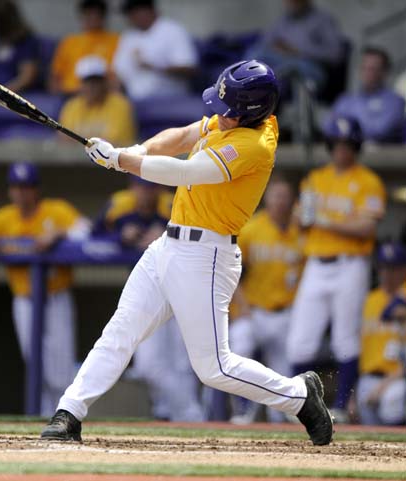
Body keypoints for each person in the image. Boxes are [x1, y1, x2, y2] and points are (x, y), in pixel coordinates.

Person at [41, 60, 333, 446]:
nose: (218, 115)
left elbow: (187, 171)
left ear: (253, 112)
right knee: (120, 331)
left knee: (214, 368)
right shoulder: (230, 121)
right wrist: (134, 151)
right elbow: (182, 136)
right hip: (167, 246)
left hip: (207, 258)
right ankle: (69, 413)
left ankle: (298, 396)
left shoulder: (253, 145)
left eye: (228, 111)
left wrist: (122, 161)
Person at [289, 115, 385, 424]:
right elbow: (299, 222)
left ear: (355, 147)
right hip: (317, 264)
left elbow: (366, 226)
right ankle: (298, 405)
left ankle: (342, 406)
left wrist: (325, 219)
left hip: (350, 265)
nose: (341, 150)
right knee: (301, 339)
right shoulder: (314, 178)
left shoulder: (368, 180)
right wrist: (305, 213)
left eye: (347, 145)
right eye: (337, 145)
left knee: (346, 337)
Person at [0, 162, 90, 415]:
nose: (22, 193)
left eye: (27, 187)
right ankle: (44, 418)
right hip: (24, 300)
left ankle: (62, 417)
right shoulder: (5, 217)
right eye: (17, 187)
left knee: (60, 371)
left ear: (37, 189)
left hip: (55, 298)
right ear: (10, 191)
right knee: (36, 364)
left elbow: (85, 230)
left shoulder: (55, 211)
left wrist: (58, 234)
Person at [94, 176, 205, 422]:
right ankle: (192, 415)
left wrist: (168, 232)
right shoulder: (119, 205)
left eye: (150, 186)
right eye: (140, 186)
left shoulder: (171, 203)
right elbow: (92, 238)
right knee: (149, 365)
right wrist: (120, 237)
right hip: (149, 293)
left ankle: (175, 417)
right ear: (132, 188)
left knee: (183, 362)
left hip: (182, 287)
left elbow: (201, 232)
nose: (146, 192)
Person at [228, 175, 304, 424]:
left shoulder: (301, 231)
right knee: (240, 346)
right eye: (276, 196)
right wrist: (243, 305)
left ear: (293, 201)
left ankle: (281, 418)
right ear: (267, 199)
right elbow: (232, 270)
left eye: (285, 196)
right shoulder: (251, 229)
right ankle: (242, 410)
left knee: (284, 366)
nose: (280, 202)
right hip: (255, 311)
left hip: (287, 312)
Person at [357, 243, 406, 425]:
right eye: (384, 268)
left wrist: (383, 386)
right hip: (368, 377)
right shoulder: (370, 299)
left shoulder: (405, 295)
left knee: (393, 400)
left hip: (398, 378)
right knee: (370, 437)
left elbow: (391, 313)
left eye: (393, 268)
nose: (387, 274)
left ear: (404, 269)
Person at [113, 0, 198, 101]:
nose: (131, 17)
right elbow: (118, 73)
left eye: (136, 11)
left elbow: (189, 70)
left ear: (150, 10)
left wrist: (155, 66)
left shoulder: (172, 30)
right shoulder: (128, 37)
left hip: (169, 99)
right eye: (129, 13)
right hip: (134, 100)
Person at [253, 0, 345, 92]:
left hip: (310, 66)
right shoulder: (284, 20)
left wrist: (298, 50)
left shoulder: (323, 19)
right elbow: (264, 43)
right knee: (256, 54)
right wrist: (276, 47)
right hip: (282, 61)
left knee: (289, 70)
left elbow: (335, 54)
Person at [331, 47, 406, 144]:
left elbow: (381, 131)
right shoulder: (345, 100)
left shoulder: (395, 102)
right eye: (364, 68)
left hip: (381, 155)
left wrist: (350, 129)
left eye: (373, 69)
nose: (368, 73)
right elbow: (331, 127)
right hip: (348, 152)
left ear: (385, 72)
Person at [59, 56, 136, 146]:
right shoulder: (72, 106)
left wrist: (78, 140)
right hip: (75, 159)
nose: (91, 86)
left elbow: (111, 144)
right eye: (87, 82)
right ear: (80, 84)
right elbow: (63, 140)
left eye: (96, 81)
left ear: (105, 82)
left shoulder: (120, 104)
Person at [49, 0, 119, 95]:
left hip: (103, 95)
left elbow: (118, 76)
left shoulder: (116, 40)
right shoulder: (69, 41)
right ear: (82, 16)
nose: (93, 17)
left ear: (103, 16)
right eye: (88, 13)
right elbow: (55, 76)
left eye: (97, 14)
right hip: (70, 94)